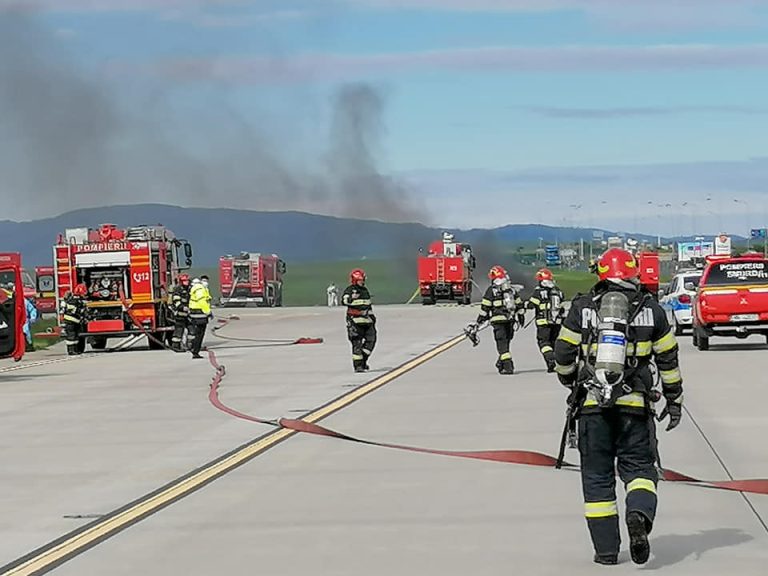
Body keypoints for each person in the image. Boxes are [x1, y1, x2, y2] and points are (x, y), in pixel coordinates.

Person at [553, 248, 683, 566]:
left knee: (597, 478)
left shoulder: (582, 306)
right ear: (632, 273)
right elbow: (668, 360)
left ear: (600, 273)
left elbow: (563, 353)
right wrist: (674, 399)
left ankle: (607, 552)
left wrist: (571, 383)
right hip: (635, 408)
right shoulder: (653, 310)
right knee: (639, 470)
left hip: (592, 408)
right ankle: (638, 516)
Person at [467, 265, 525, 375]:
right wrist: (521, 317)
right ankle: (501, 363)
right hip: (510, 320)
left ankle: (508, 367)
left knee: (502, 345)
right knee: (506, 344)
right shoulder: (511, 290)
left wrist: (479, 321)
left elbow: (485, 308)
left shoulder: (491, 290)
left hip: (498, 322)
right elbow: (519, 304)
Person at [526, 268, 565, 373]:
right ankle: (557, 363)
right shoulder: (558, 291)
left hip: (543, 322)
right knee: (554, 343)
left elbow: (531, 304)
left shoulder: (539, 291)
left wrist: (524, 305)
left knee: (544, 343)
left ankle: (551, 360)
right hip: (556, 322)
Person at [342, 268, 377, 372]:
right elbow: (344, 301)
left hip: (368, 322)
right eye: (360, 280)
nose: (363, 282)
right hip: (355, 322)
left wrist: (373, 318)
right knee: (356, 344)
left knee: (371, 341)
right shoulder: (350, 290)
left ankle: (363, 360)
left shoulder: (365, 291)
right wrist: (352, 298)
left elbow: (368, 306)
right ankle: (358, 366)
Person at [60, 284, 88, 355]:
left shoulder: (74, 300)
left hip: (74, 321)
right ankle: (71, 350)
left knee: (75, 336)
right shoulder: (74, 301)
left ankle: (75, 350)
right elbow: (75, 311)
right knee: (71, 336)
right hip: (70, 321)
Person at [187, 277, 211, 359]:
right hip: (200, 313)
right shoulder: (200, 289)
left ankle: (194, 349)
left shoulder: (196, 289)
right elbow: (202, 301)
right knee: (199, 334)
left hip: (195, 313)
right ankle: (195, 351)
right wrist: (208, 312)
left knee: (197, 333)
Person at [170, 274, 191, 352]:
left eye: (187, 280)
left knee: (191, 331)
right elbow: (176, 301)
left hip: (189, 314)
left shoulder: (190, 289)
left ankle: (190, 345)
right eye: (184, 281)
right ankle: (176, 346)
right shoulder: (178, 289)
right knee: (179, 331)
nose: (186, 282)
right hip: (180, 314)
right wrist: (183, 308)